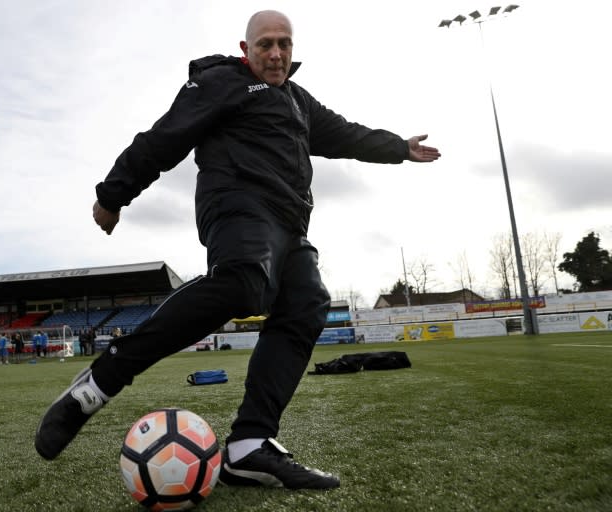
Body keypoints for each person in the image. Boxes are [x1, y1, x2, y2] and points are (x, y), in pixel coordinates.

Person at [35, 10, 440, 490]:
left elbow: (346, 134)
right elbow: (164, 139)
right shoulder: (222, 82)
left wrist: (398, 147)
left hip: (290, 223)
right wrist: (113, 194)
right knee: (244, 280)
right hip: (237, 204)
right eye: (265, 44)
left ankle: (250, 445)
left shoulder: (297, 100)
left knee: (307, 304)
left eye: (284, 44)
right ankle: (98, 383)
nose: (276, 53)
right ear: (246, 50)